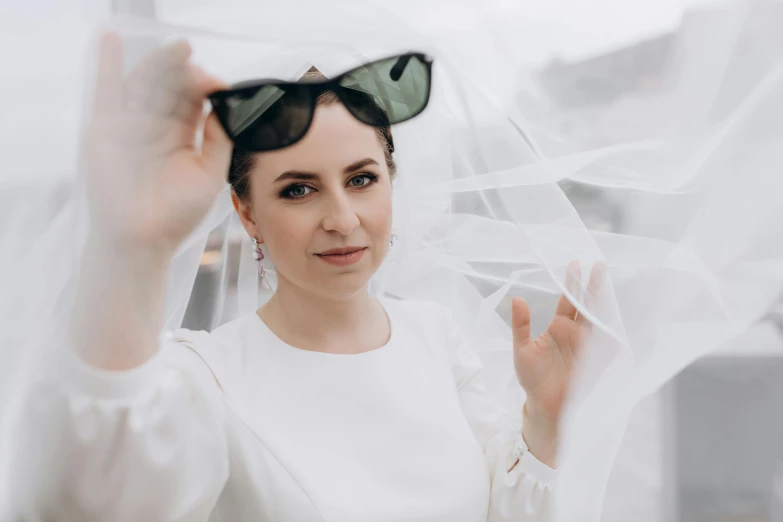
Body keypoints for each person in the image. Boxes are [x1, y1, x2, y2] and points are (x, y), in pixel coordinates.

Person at [6, 34, 600, 522]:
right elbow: (92, 502)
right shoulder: (206, 375)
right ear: (246, 212)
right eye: (298, 189)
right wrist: (133, 252)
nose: (342, 219)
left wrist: (545, 426)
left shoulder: (435, 334)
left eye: (362, 178)